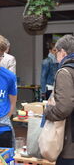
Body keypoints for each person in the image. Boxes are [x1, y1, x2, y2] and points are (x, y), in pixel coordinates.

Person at [44, 34, 74, 165]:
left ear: (63, 52)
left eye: (57, 52)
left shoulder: (64, 72)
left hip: (70, 138)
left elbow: (64, 107)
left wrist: (48, 112)